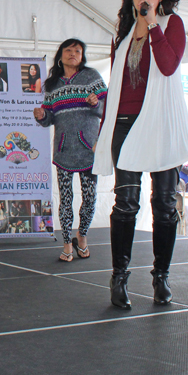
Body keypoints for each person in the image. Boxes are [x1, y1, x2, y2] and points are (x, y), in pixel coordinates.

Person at [93, 0, 188, 309]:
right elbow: (117, 85)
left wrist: (152, 24)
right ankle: (119, 277)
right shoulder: (121, 32)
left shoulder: (170, 25)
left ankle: (160, 276)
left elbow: (168, 66)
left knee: (164, 206)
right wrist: (105, 130)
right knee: (126, 204)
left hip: (160, 123)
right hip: (124, 123)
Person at [34, 38, 107, 262]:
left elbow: (107, 109)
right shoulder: (52, 84)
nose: (73, 53)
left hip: (89, 148)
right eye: (68, 50)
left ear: (82, 55)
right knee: (65, 199)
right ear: (61, 54)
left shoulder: (92, 76)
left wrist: (96, 103)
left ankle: (82, 236)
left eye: (78, 50)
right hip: (63, 150)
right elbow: (49, 119)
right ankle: (66, 244)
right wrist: (41, 116)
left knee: (90, 197)